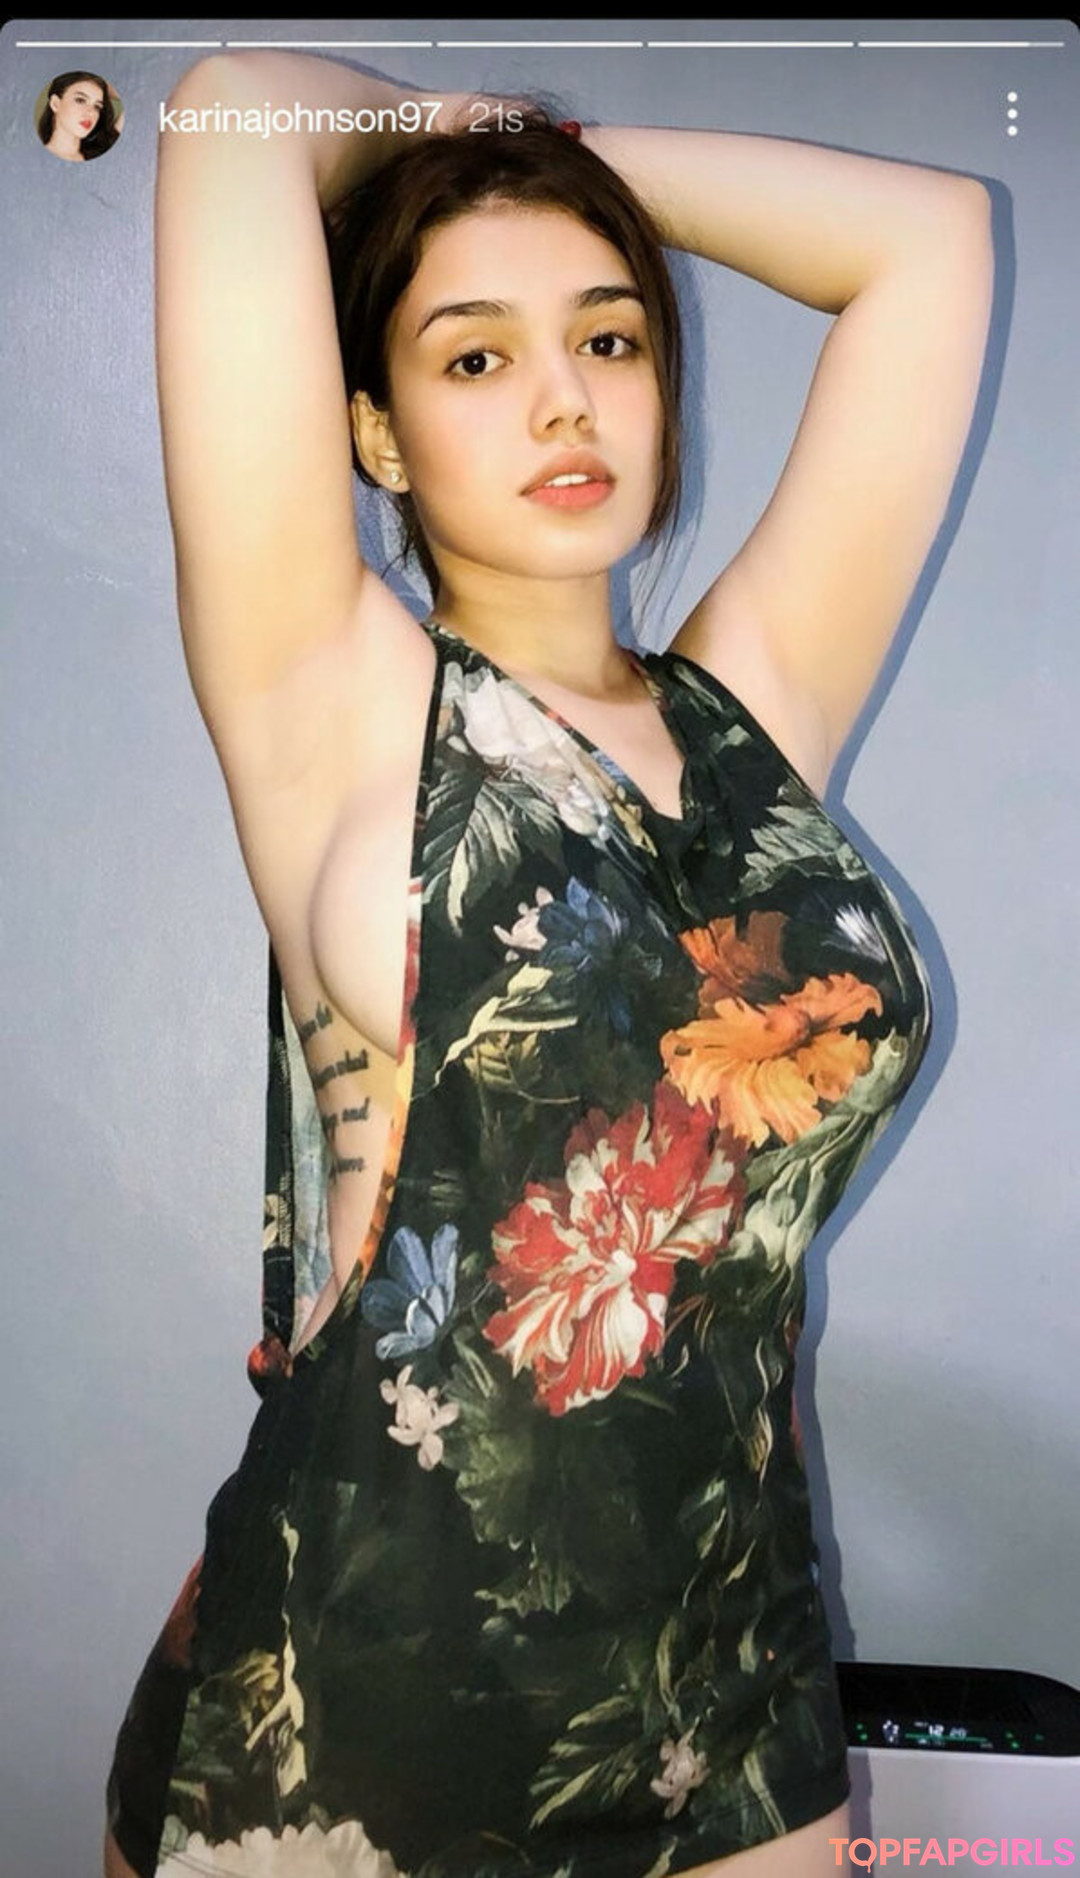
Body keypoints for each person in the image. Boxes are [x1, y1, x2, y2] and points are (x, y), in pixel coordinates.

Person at [103, 46, 992, 1878]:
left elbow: (929, 241)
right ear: (375, 434)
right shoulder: (333, 693)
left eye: (610, 337)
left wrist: (564, 161)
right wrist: (471, 139)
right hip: (349, 1712)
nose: (563, 397)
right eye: (475, 357)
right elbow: (233, 107)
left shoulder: (754, 716)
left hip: (731, 1694)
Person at [38, 70, 120, 161]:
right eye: (80, 100)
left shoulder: (104, 152)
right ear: (55, 104)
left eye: (97, 106)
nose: (91, 112)